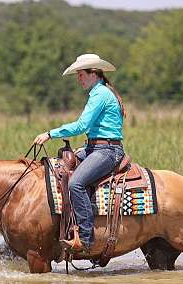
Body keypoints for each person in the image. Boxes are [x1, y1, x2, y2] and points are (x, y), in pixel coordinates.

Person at [33, 53, 126, 252]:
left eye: (81, 74)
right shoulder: (99, 92)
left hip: (108, 150)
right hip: (96, 147)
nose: (79, 79)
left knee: (76, 183)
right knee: (58, 166)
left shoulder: (100, 94)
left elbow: (82, 125)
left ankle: (85, 237)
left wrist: (50, 134)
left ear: (94, 73)